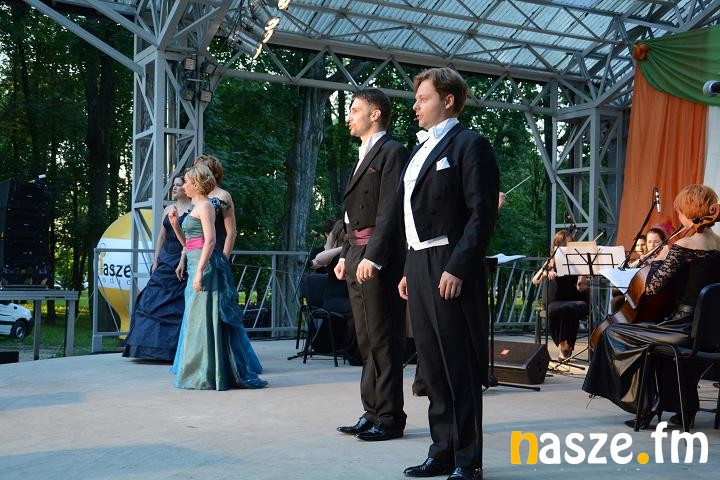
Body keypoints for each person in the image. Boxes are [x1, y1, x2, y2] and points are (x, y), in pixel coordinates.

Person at [398, 67, 498, 480]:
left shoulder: (471, 144)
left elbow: (482, 213)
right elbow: (410, 216)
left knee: (458, 365)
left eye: (423, 98)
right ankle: (441, 451)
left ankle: (467, 461)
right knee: (432, 367)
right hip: (419, 263)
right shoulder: (419, 149)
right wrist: (408, 267)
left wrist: (458, 266)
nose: (416, 106)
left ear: (449, 100)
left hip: (449, 263)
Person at [583, 184, 720, 428]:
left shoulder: (685, 245)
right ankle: (684, 408)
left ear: (689, 211)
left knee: (614, 333)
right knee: (649, 333)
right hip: (711, 332)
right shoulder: (718, 244)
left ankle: (646, 404)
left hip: (683, 329)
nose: (679, 217)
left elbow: (653, 287)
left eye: (680, 212)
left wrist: (660, 259)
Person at [334, 88, 409, 442]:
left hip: (378, 255)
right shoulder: (363, 152)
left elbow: (390, 210)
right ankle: (372, 411)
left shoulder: (392, 151)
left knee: (383, 338)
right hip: (355, 251)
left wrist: (373, 257)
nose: (349, 116)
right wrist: (343, 254)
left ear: (375, 114)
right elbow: (351, 214)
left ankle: (391, 418)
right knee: (364, 338)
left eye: (355, 109)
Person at [169, 165, 267, 390]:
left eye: (186, 182)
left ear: (196, 184)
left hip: (206, 267)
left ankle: (209, 373)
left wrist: (200, 271)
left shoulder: (206, 206)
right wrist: (175, 225)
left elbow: (211, 241)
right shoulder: (196, 207)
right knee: (196, 319)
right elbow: (189, 243)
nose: (184, 186)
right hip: (195, 262)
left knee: (205, 318)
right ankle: (199, 371)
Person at [123, 175, 192, 360]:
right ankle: (145, 349)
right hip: (165, 258)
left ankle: (172, 351)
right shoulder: (168, 209)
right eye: (173, 185)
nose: (174, 188)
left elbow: (191, 239)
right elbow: (161, 236)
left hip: (182, 258)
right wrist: (155, 259)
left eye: (178, 185)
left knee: (177, 304)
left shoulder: (194, 209)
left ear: (187, 188)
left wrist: (183, 259)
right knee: (150, 299)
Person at [531, 230, 589, 360]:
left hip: (576, 299)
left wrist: (583, 276)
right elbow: (535, 280)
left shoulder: (579, 261)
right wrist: (545, 273)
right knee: (561, 310)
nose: (567, 247)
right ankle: (566, 347)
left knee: (569, 309)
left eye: (570, 244)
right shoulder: (551, 262)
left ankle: (565, 348)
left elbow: (581, 288)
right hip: (555, 301)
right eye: (564, 244)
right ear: (556, 246)